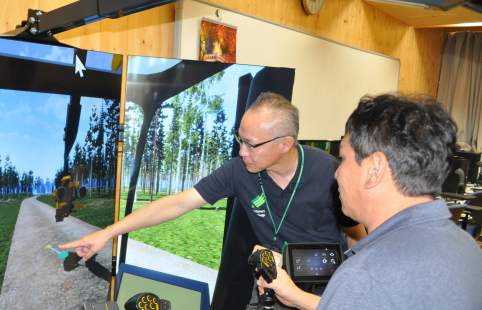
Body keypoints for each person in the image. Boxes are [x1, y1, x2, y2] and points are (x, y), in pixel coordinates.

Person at [130, 94, 482, 310]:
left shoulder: (368, 276)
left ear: (374, 169)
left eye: (343, 159)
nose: (337, 173)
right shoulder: (464, 247)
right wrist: (294, 295)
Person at [60, 92, 366, 263]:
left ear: (285, 143)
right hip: (271, 282)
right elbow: (176, 204)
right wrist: (107, 233)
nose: (242, 151)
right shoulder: (239, 170)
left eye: (251, 144)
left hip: (325, 289)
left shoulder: (329, 174)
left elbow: (357, 237)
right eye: (239, 139)